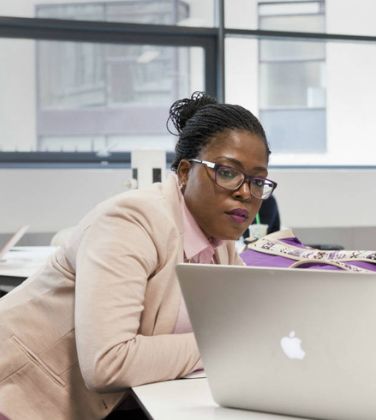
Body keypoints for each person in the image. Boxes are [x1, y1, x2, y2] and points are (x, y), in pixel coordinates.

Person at [0, 92, 277, 419]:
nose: (246, 192)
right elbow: (108, 362)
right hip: (20, 399)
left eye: (258, 181)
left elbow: (247, 323)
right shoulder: (131, 222)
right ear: (185, 172)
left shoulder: (220, 240)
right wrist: (222, 346)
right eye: (227, 172)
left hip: (123, 403)